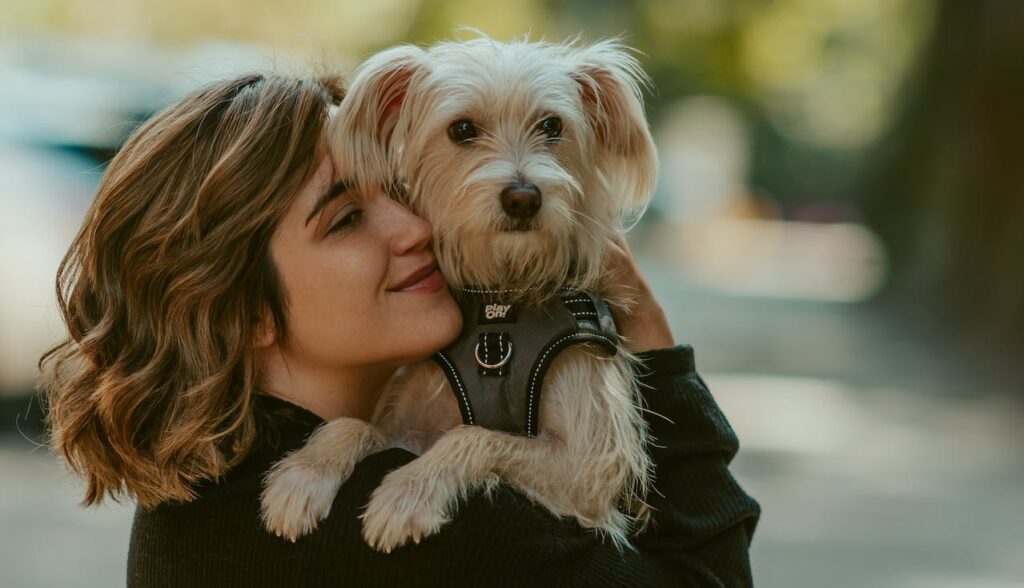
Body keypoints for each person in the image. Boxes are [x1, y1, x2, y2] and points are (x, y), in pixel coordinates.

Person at [39, 72, 760, 587]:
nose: (418, 227)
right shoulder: (433, 529)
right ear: (244, 311)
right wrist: (652, 333)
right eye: (348, 219)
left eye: (401, 191)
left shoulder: (199, 500)